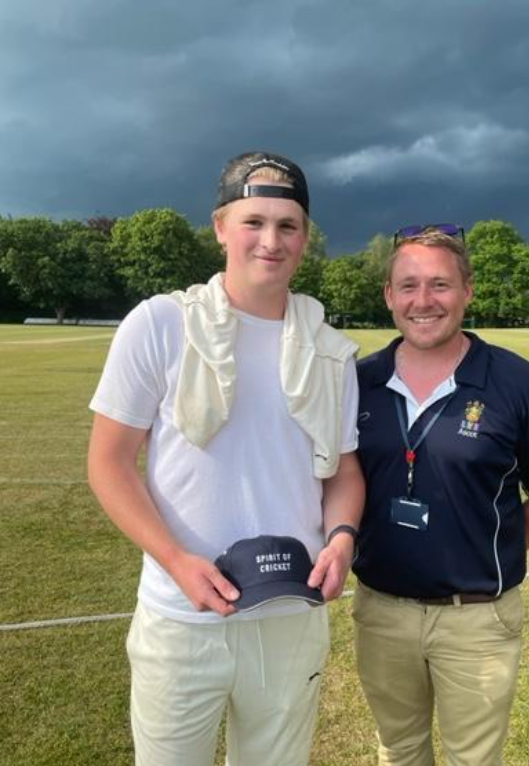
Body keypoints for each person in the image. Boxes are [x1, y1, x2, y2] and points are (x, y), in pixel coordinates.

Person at [87, 151, 364, 766]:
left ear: (305, 236)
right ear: (219, 227)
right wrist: (176, 560)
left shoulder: (332, 350)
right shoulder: (160, 323)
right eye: (254, 221)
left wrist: (342, 539)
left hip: (292, 614)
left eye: (287, 225)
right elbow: (108, 462)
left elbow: (343, 470)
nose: (271, 240)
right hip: (182, 616)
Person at [352, 224, 529, 766]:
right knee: (398, 750)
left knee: (472, 761)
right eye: (407, 286)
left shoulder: (517, 383)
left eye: (440, 285)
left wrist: (485, 549)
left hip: (476, 618)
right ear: (388, 295)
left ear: (468, 290)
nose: (423, 301)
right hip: (381, 611)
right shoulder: (355, 383)